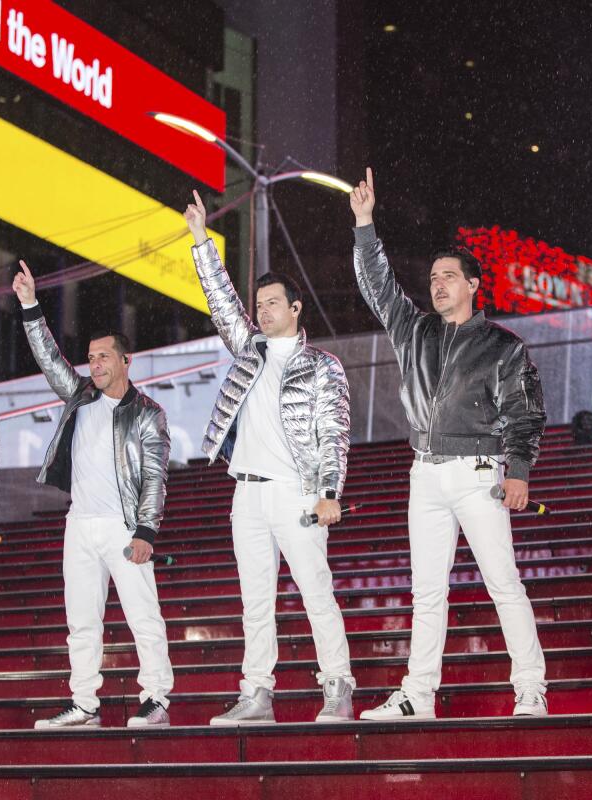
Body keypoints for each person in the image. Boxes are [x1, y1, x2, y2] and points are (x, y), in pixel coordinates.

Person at [348, 169, 549, 720]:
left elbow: (525, 413)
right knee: (426, 593)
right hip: (426, 471)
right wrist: (365, 225)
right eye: (433, 276)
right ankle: (417, 694)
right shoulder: (414, 331)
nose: (437, 284)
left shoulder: (502, 346)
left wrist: (520, 470)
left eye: (449, 276)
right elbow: (379, 287)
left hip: (480, 473)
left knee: (503, 583)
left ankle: (530, 687)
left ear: (472, 284)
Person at [184, 191, 356, 725]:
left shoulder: (322, 366)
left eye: (272, 304)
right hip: (248, 492)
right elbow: (221, 302)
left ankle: (337, 686)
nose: (261, 312)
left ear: (296, 308)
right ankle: (256, 693)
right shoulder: (249, 350)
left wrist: (330, 493)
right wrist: (199, 241)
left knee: (315, 593)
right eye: (259, 306)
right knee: (255, 601)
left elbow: (336, 434)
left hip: (297, 493)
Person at [13, 260, 175, 728]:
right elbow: (48, 358)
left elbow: (155, 476)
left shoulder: (148, 412)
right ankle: (84, 703)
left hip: (124, 527)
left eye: (104, 356)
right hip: (79, 525)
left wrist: (146, 529)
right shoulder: (79, 396)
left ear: (126, 360)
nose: (95, 364)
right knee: (81, 622)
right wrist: (29, 305)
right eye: (91, 357)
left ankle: (157, 698)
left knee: (143, 615)